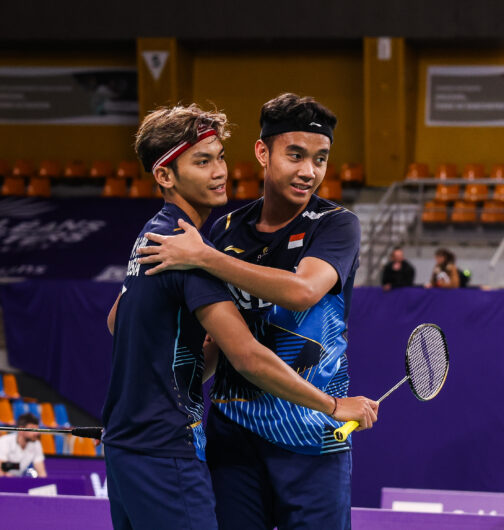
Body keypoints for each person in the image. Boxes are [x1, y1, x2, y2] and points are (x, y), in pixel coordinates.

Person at [102, 103, 378, 530]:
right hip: (232, 443)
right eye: (296, 155)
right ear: (264, 154)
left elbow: (303, 291)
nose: (309, 170)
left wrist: (204, 261)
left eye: (320, 159)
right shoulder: (217, 232)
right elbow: (228, 349)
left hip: (311, 438)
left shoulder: (335, 224)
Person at [0, 413, 47, 477]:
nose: (36, 433)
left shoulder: (36, 444)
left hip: (18, 480)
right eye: (32, 429)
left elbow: (42, 473)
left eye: (37, 429)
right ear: (21, 429)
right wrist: (17, 467)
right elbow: (2, 466)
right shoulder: (4, 441)